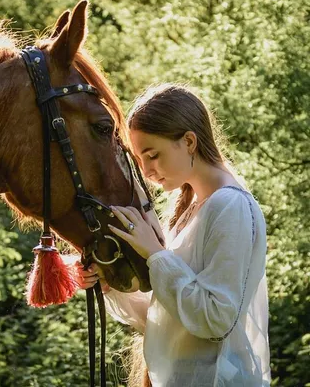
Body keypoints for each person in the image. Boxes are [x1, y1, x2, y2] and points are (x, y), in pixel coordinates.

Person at [75, 83, 271, 387]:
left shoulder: (230, 205)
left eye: (153, 155)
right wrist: (110, 282)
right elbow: (165, 317)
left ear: (189, 141)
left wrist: (156, 256)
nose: (148, 171)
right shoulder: (191, 208)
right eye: (140, 160)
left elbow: (215, 319)